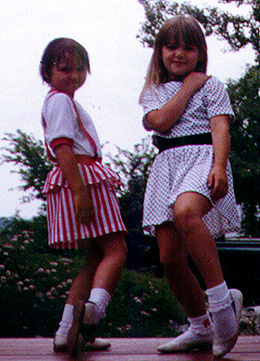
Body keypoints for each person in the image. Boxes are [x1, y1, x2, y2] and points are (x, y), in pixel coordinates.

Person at [139, 15, 243, 358]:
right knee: (169, 258)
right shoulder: (154, 91)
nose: (179, 53)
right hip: (167, 166)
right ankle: (200, 325)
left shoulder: (213, 85)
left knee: (187, 212)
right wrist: (188, 86)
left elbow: (220, 129)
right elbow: (161, 121)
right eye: (171, 46)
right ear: (160, 51)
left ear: (201, 52)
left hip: (202, 160)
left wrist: (218, 165)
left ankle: (221, 303)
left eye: (188, 46)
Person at [39, 38, 127, 356]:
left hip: (75, 177)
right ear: (46, 72)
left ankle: (67, 332)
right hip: (82, 178)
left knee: (92, 260)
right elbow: (62, 146)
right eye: (65, 69)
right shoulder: (60, 101)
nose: (73, 75)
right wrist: (81, 192)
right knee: (116, 250)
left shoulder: (62, 101)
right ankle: (93, 312)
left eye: (80, 69)